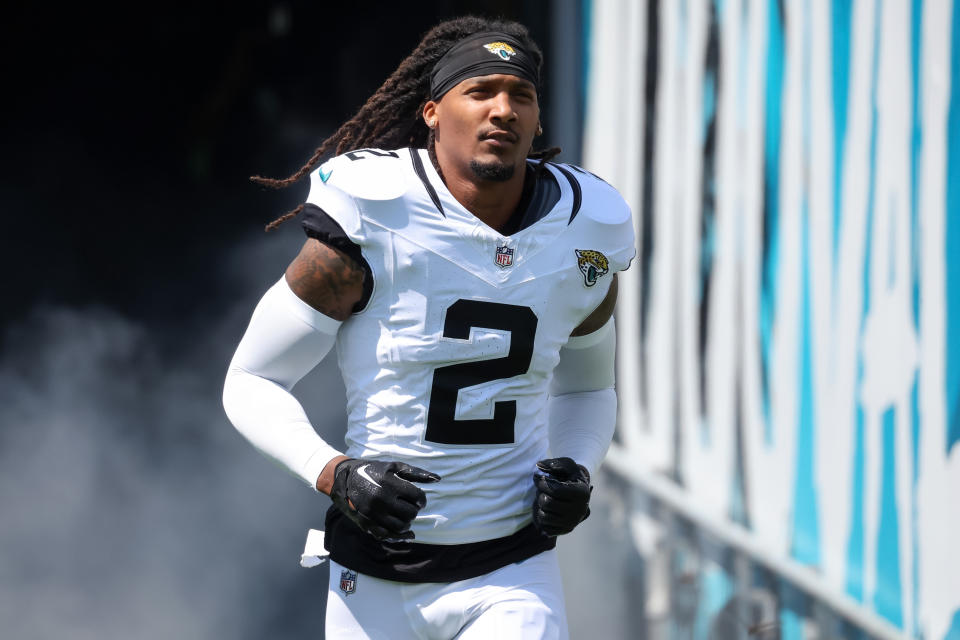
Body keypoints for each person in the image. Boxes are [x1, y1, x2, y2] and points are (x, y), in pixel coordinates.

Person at [222, 15, 635, 640]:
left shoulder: (586, 228)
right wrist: (334, 472)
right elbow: (250, 380)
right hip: (375, 578)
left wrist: (575, 465)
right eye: (482, 91)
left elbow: (587, 389)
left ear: (539, 119)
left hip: (512, 571)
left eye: (520, 95)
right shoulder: (376, 212)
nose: (503, 109)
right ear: (433, 112)